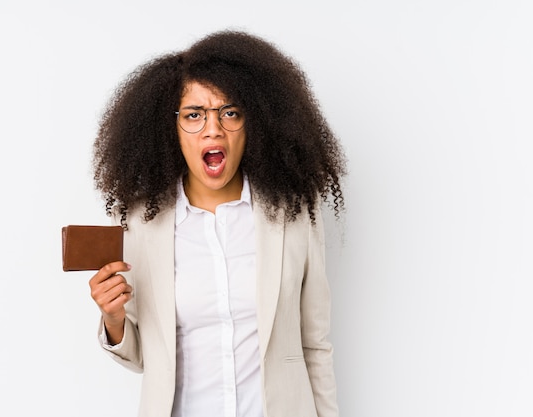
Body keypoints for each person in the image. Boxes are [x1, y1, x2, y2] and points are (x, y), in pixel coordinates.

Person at [88, 29, 346, 417]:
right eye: (194, 115)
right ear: (169, 129)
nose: (213, 129)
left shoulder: (294, 214)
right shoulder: (141, 223)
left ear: (253, 122)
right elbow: (143, 359)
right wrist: (113, 318)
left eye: (229, 112)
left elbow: (315, 344)